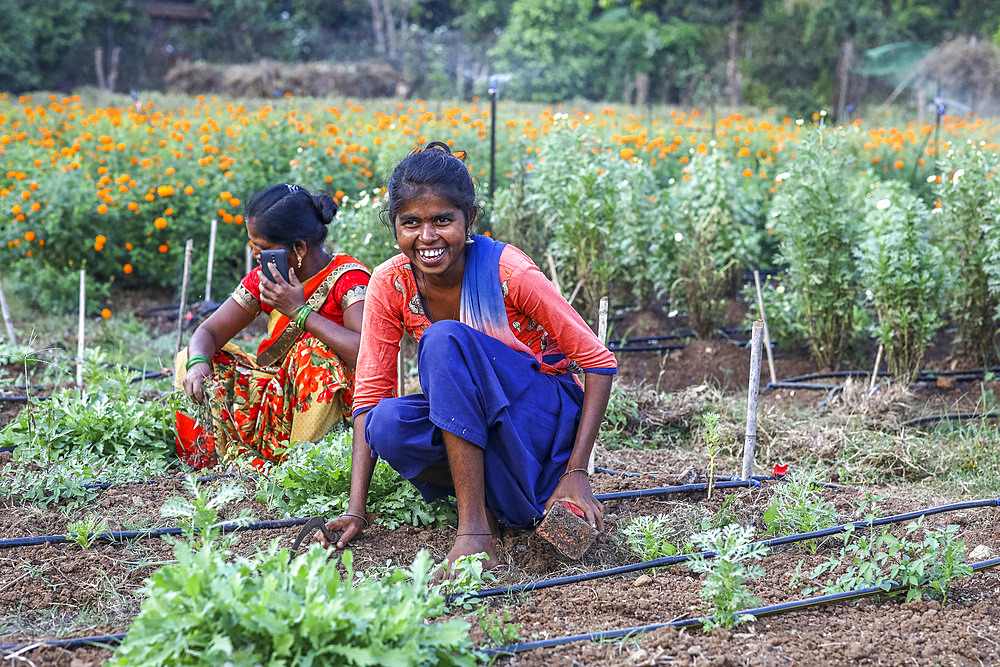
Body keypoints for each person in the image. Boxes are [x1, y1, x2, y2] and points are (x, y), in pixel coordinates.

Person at [315, 142, 616, 566]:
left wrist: (578, 473)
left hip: (537, 420)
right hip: (476, 424)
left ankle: (476, 530)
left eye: (442, 220)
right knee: (387, 425)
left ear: (469, 219)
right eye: (411, 223)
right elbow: (369, 397)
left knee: (442, 341)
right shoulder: (391, 282)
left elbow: (598, 363)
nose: (427, 237)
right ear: (395, 226)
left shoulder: (508, 271)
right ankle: (490, 502)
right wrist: (356, 509)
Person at [176, 184, 370, 464]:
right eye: (253, 245)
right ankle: (208, 461)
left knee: (314, 356)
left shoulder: (348, 279)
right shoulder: (266, 279)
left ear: (299, 248)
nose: (256, 254)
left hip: (331, 411)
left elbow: (364, 353)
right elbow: (208, 331)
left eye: (263, 248)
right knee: (191, 358)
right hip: (275, 398)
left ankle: (300, 467)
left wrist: (299, 312)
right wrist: (198, 364)